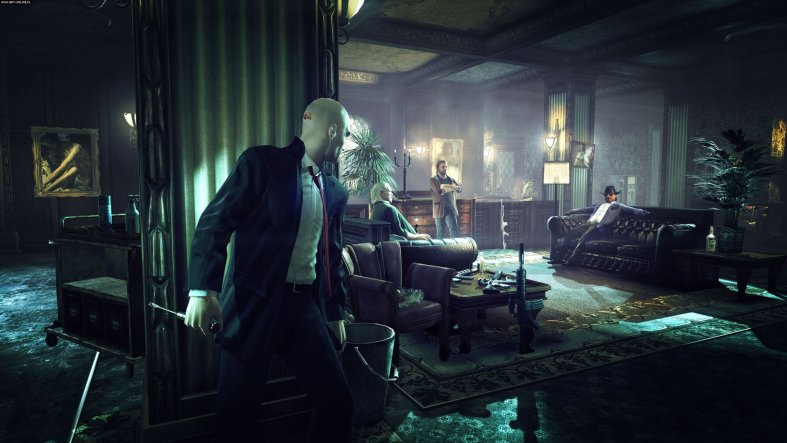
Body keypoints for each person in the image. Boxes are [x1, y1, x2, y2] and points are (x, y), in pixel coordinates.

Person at [184, 98, 353, 442]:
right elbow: (215, 221)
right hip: (254, 306)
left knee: (338, 404)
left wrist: (335, 313)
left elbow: (331, 256)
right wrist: (203, 291)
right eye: (346, 134)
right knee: (235, 419)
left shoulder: (335, 191)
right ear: (333, 130)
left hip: (303, 307)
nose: (345, 142)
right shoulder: (263, 163)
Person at [559, 185, 649, 266]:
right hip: (589, 224)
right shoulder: (599, 205)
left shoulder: (618, 206)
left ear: (615, 196)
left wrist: (648, 213)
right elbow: (585, 209)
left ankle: (573, 260)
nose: (608, 196)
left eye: (610, 194)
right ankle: (559, 257)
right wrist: (572, 211)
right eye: (606, 195)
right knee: (570, 233)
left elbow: (634, 210)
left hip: (600, 229)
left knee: (585, 236)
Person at [429, 159, 462, 239]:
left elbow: (459, 189)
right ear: (438, 168)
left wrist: (447, 186)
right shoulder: (433, 180)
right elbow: (440, 191)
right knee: (440, 234)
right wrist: (452, 187)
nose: (445, 168)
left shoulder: (451, 179)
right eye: (443, 167)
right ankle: (440, 248)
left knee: (454, 232)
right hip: (439, 209)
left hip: (451, 208)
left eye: (446, 167)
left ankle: (454, 247)